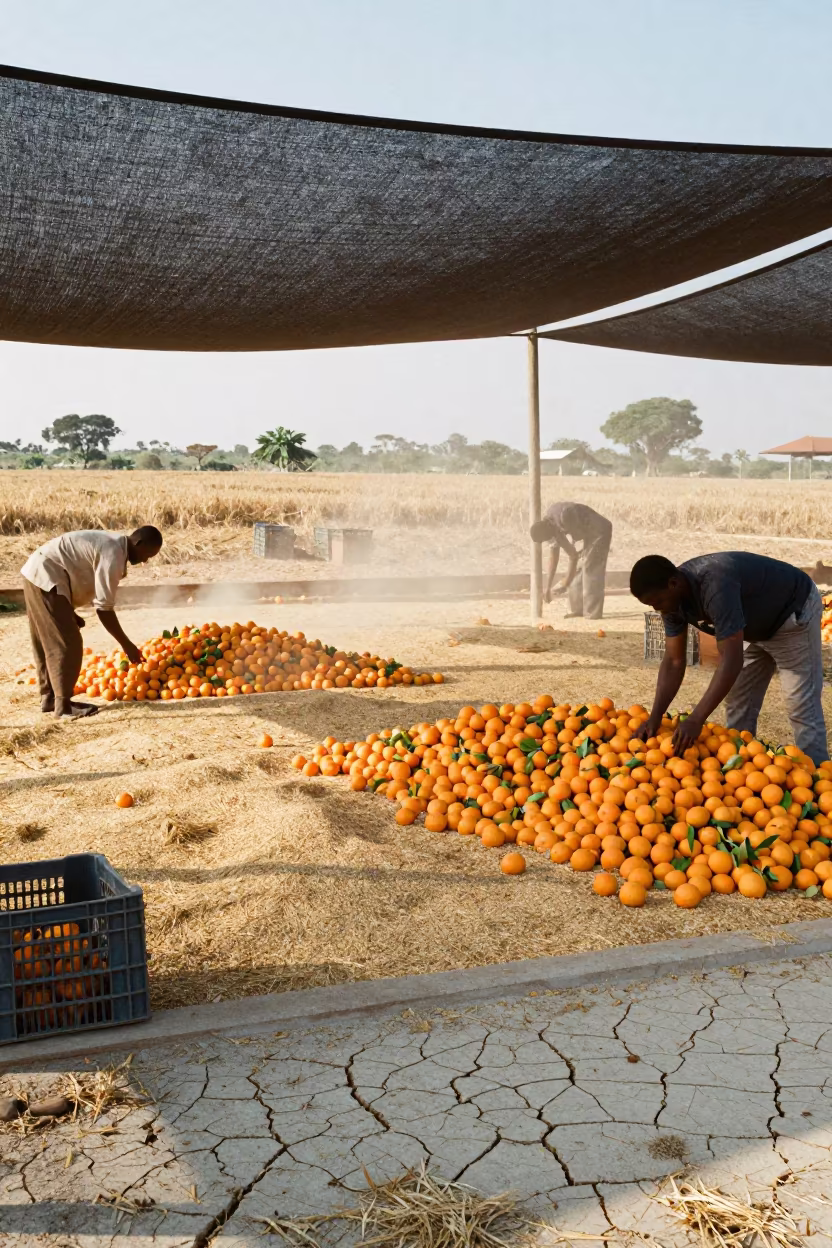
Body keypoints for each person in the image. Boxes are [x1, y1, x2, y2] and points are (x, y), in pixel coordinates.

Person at [631, 551, 828, 763]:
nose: (657, 608)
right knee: (739, 700)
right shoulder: (672, 603)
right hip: (754, 626)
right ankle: (742, 769)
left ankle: (817, 779)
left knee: (800, 704)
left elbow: (731, 660)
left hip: (791, 615)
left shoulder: (715, 585)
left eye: (658, 601)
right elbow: (674, 661)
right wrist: (655, 717)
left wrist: (696, 719)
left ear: (672, 584)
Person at [20, 526, 163, 719]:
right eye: (148, 555)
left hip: (39, 572)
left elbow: (72, 566)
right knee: (66, 642)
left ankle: (49, 698)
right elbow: (104, 609)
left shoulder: (113, 544)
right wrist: (127, 645)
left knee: (45, 640)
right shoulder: (113, 553)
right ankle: (63, 707)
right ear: (138, 543)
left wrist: (67, 610)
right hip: (46, 575)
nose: (145, 561)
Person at [530, 502, 612, 619]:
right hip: (587, 534)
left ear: (547, 531)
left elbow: (574, 551)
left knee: (590, 567)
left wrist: (566, 582)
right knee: (578, 568)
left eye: (547, 538)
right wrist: (548, 588)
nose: (549, 540)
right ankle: (578, 609)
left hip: (600, 531)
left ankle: (593, 613)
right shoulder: (550, 526)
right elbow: (554, 557)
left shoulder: (564, 516)